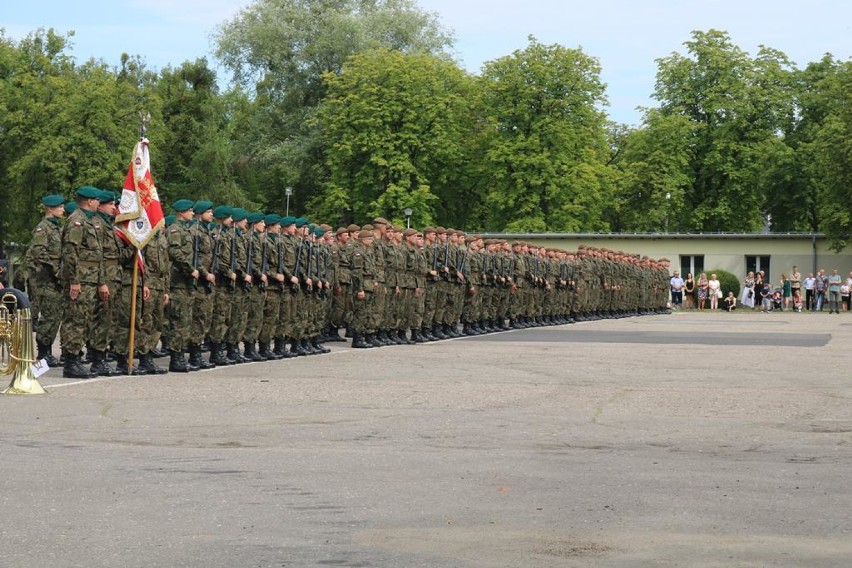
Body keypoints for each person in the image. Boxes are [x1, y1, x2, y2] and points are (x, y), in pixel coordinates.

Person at [24, 194, 65, 367]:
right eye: (60, 207)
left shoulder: (56, 228)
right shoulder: (43, 228)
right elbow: (39, 252)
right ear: (50, 209)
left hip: (54, 280)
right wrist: (56, 271)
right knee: (48, 316)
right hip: (45, 280)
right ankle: (43, 353)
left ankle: (47, 351)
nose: (63, 209)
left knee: (55, 316)